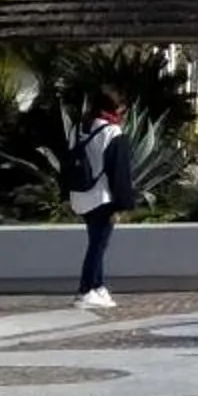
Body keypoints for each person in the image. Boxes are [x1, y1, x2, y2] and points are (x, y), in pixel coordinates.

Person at [65, 88, 139, 310]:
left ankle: (98, 286)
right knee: (97, 247)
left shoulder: (78, 129)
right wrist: (122, 205)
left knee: (96, 242)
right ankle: (85, 289)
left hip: (81, 195)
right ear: (114, 108)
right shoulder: (112, 132)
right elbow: (120, 173)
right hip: (102, 197)